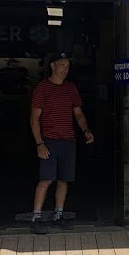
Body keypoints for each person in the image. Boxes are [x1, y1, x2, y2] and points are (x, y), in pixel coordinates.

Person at [30, 52, 94, 233]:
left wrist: (86, 130)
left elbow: (78, 113)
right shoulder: (42, 88)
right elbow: (34, 118)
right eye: (62, 65)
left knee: (64, 180)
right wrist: (39, 143)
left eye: (68, 66)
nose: (66, 69)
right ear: (53, 66)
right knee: (46, 179)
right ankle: (36, 217)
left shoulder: (71, 88)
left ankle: (59, 215)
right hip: (49, 141)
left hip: (68, 141)